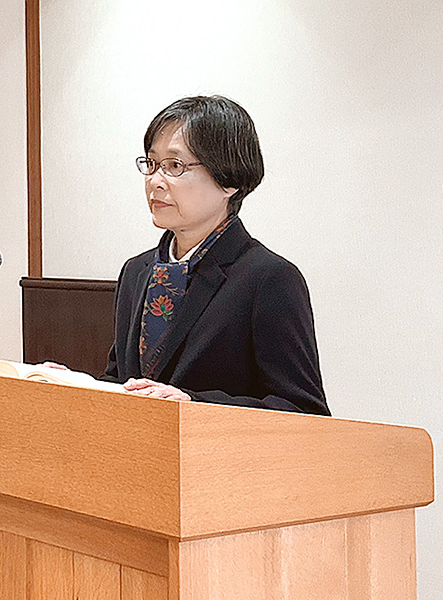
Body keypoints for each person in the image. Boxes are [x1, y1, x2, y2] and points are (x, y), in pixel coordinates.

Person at [101, 95, 330, 415]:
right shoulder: (137, 271)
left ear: (230, 180)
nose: (155, 182)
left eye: (174, 166)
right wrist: (70, 384)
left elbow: (303, 410)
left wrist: (194, 405)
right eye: (151, 164)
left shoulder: (269, 279)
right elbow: (123, 383)